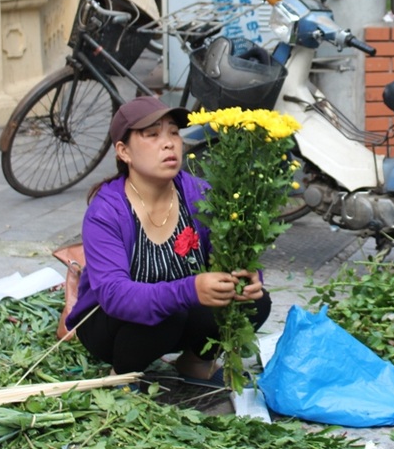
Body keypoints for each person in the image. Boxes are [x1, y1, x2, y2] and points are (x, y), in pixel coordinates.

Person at [65, 96, 271, 384]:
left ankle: (196, 362)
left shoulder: (200, 194)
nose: (169, 143)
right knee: (163, 317)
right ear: (124, 151)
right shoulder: (106, 211)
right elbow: (113, 295)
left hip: (180, 314)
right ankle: (123, 373)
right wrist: (190, 290)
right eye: (152, 135)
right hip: (114, 326)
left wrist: (248, 276)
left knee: (254, 302)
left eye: (173, 132)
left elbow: (230, 253)